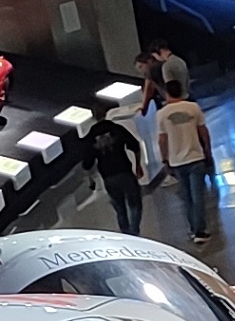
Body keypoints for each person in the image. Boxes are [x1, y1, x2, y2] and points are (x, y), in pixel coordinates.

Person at [154, 81, 216, 241]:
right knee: (198, 196)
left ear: (166, 93)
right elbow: (203, 131)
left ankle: (193, 229)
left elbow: (162, 140)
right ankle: (201, 231)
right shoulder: (193, 107)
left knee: (186, 197)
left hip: (176, 161)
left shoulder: (161, 114)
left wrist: (165, 160)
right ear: (181, 91)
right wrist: (207, 150)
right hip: (196, 157)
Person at [84, 100, 148, 233]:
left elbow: (87, 162)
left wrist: (91, 180)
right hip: (124, 171)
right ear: (106, 113)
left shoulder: (90, 136)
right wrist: (138, 165)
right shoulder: (116, 128)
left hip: (108, 177)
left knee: (120, 208)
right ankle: (134, 231)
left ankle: (126, 234)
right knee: (135, 204)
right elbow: (134, 145)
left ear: (93, 116)